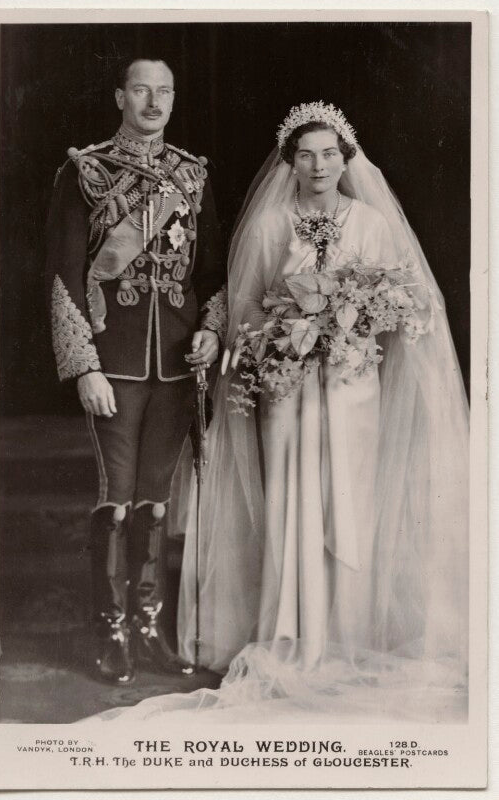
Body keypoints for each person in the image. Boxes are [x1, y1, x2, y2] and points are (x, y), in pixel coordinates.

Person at [83, 101, 469, 724]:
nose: (318, 165)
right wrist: (277, 335)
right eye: (306, 154)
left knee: (348, 501)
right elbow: (243, 312)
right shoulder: (270, 226)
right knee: (291, 502)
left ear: (346, 160)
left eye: (329, 154)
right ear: (289, 162)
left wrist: (352, 321)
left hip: (351, 386)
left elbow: (404, 304)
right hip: (286, 391)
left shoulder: (372, 222)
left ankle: (348, 635)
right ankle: (293, 635)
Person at [46, 58, 226, 686]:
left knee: (155, 501)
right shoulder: (86, 171)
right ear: (121, 95)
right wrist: (83, 366)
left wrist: (211, 328)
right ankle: (111, 631)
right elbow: (66, 275)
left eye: (164, 92)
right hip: (114, 361)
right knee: (115, 501)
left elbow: (212, 274)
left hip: (177, 365)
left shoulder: (193, 176)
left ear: (174, 100)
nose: (153, 101)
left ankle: (150, 631)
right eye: (141, 90)